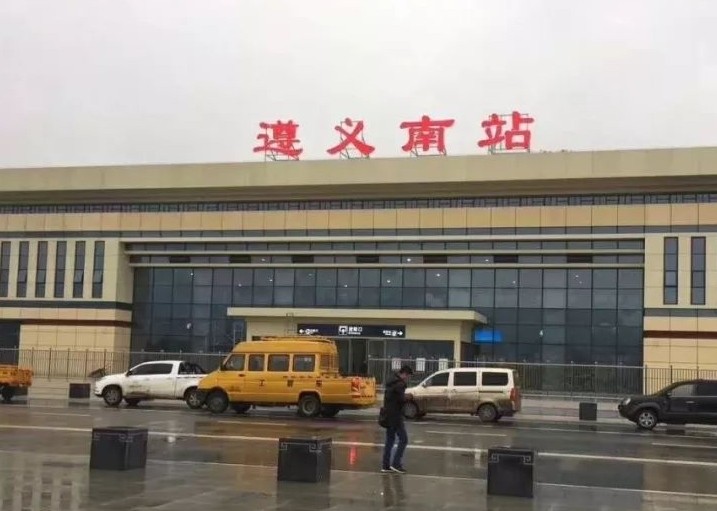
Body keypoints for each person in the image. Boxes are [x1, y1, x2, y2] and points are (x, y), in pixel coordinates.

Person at [381, 364, 413, 474]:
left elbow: (392, 398)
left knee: (389, 441)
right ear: (404, 374)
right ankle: (396, 464)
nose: (407, 378)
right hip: (396, 417)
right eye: (408, 376)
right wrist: (408, 397)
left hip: (388, 415)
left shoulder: (391, 381)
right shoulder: (400, 384)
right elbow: (401, 400)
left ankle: (385, 466)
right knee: (404, 439)